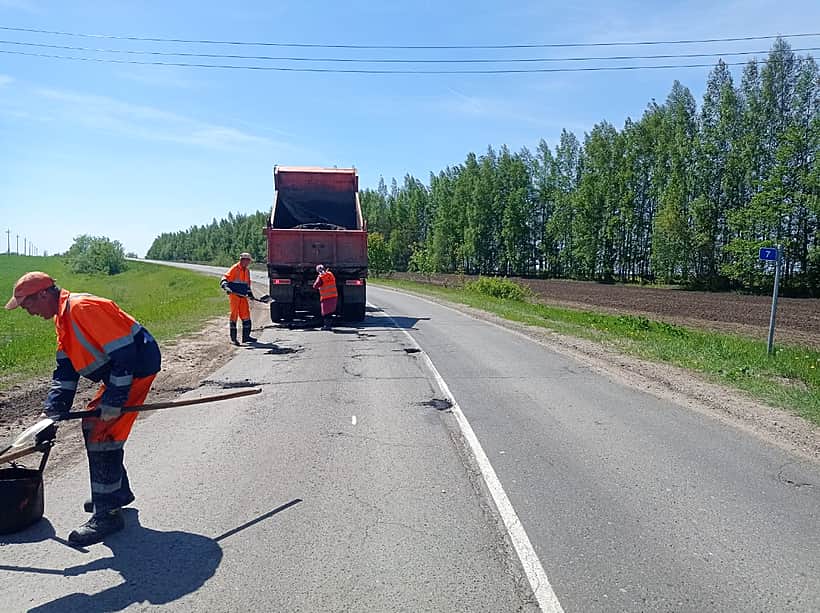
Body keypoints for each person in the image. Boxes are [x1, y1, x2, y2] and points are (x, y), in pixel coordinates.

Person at [5, 271, 161, 546]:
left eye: (27, 304)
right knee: (93, 426)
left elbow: (125, 353)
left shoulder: (82, 308)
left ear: (43, 294)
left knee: (103, 433)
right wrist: (51, 415)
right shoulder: (63, 320)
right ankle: (117, 493)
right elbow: (65, 372)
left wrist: (114, 400)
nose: (28, 312)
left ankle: (109, 513)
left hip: (135, 369)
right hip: (117, 373)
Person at [220, 252, 257, 345]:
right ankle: (233, 339)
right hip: (235, 296)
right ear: (242, 260)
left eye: (249, 261)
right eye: (247, 261)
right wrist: (225, 285)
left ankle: (246, 337)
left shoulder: (247, 271)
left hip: (243, 296)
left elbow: (247, 284)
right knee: (234, 315)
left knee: (246, 316)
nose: (248, 263)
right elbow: (225, 277)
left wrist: (250, 294)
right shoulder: (235, 269)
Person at [312, 264, 337, 330]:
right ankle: (329, 325)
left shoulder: (321, 277)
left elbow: (315, 286)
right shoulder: (330, 274)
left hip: (326, 297)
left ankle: (327, 326)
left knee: (326, 312)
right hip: (334, 295)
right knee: (330, 311)